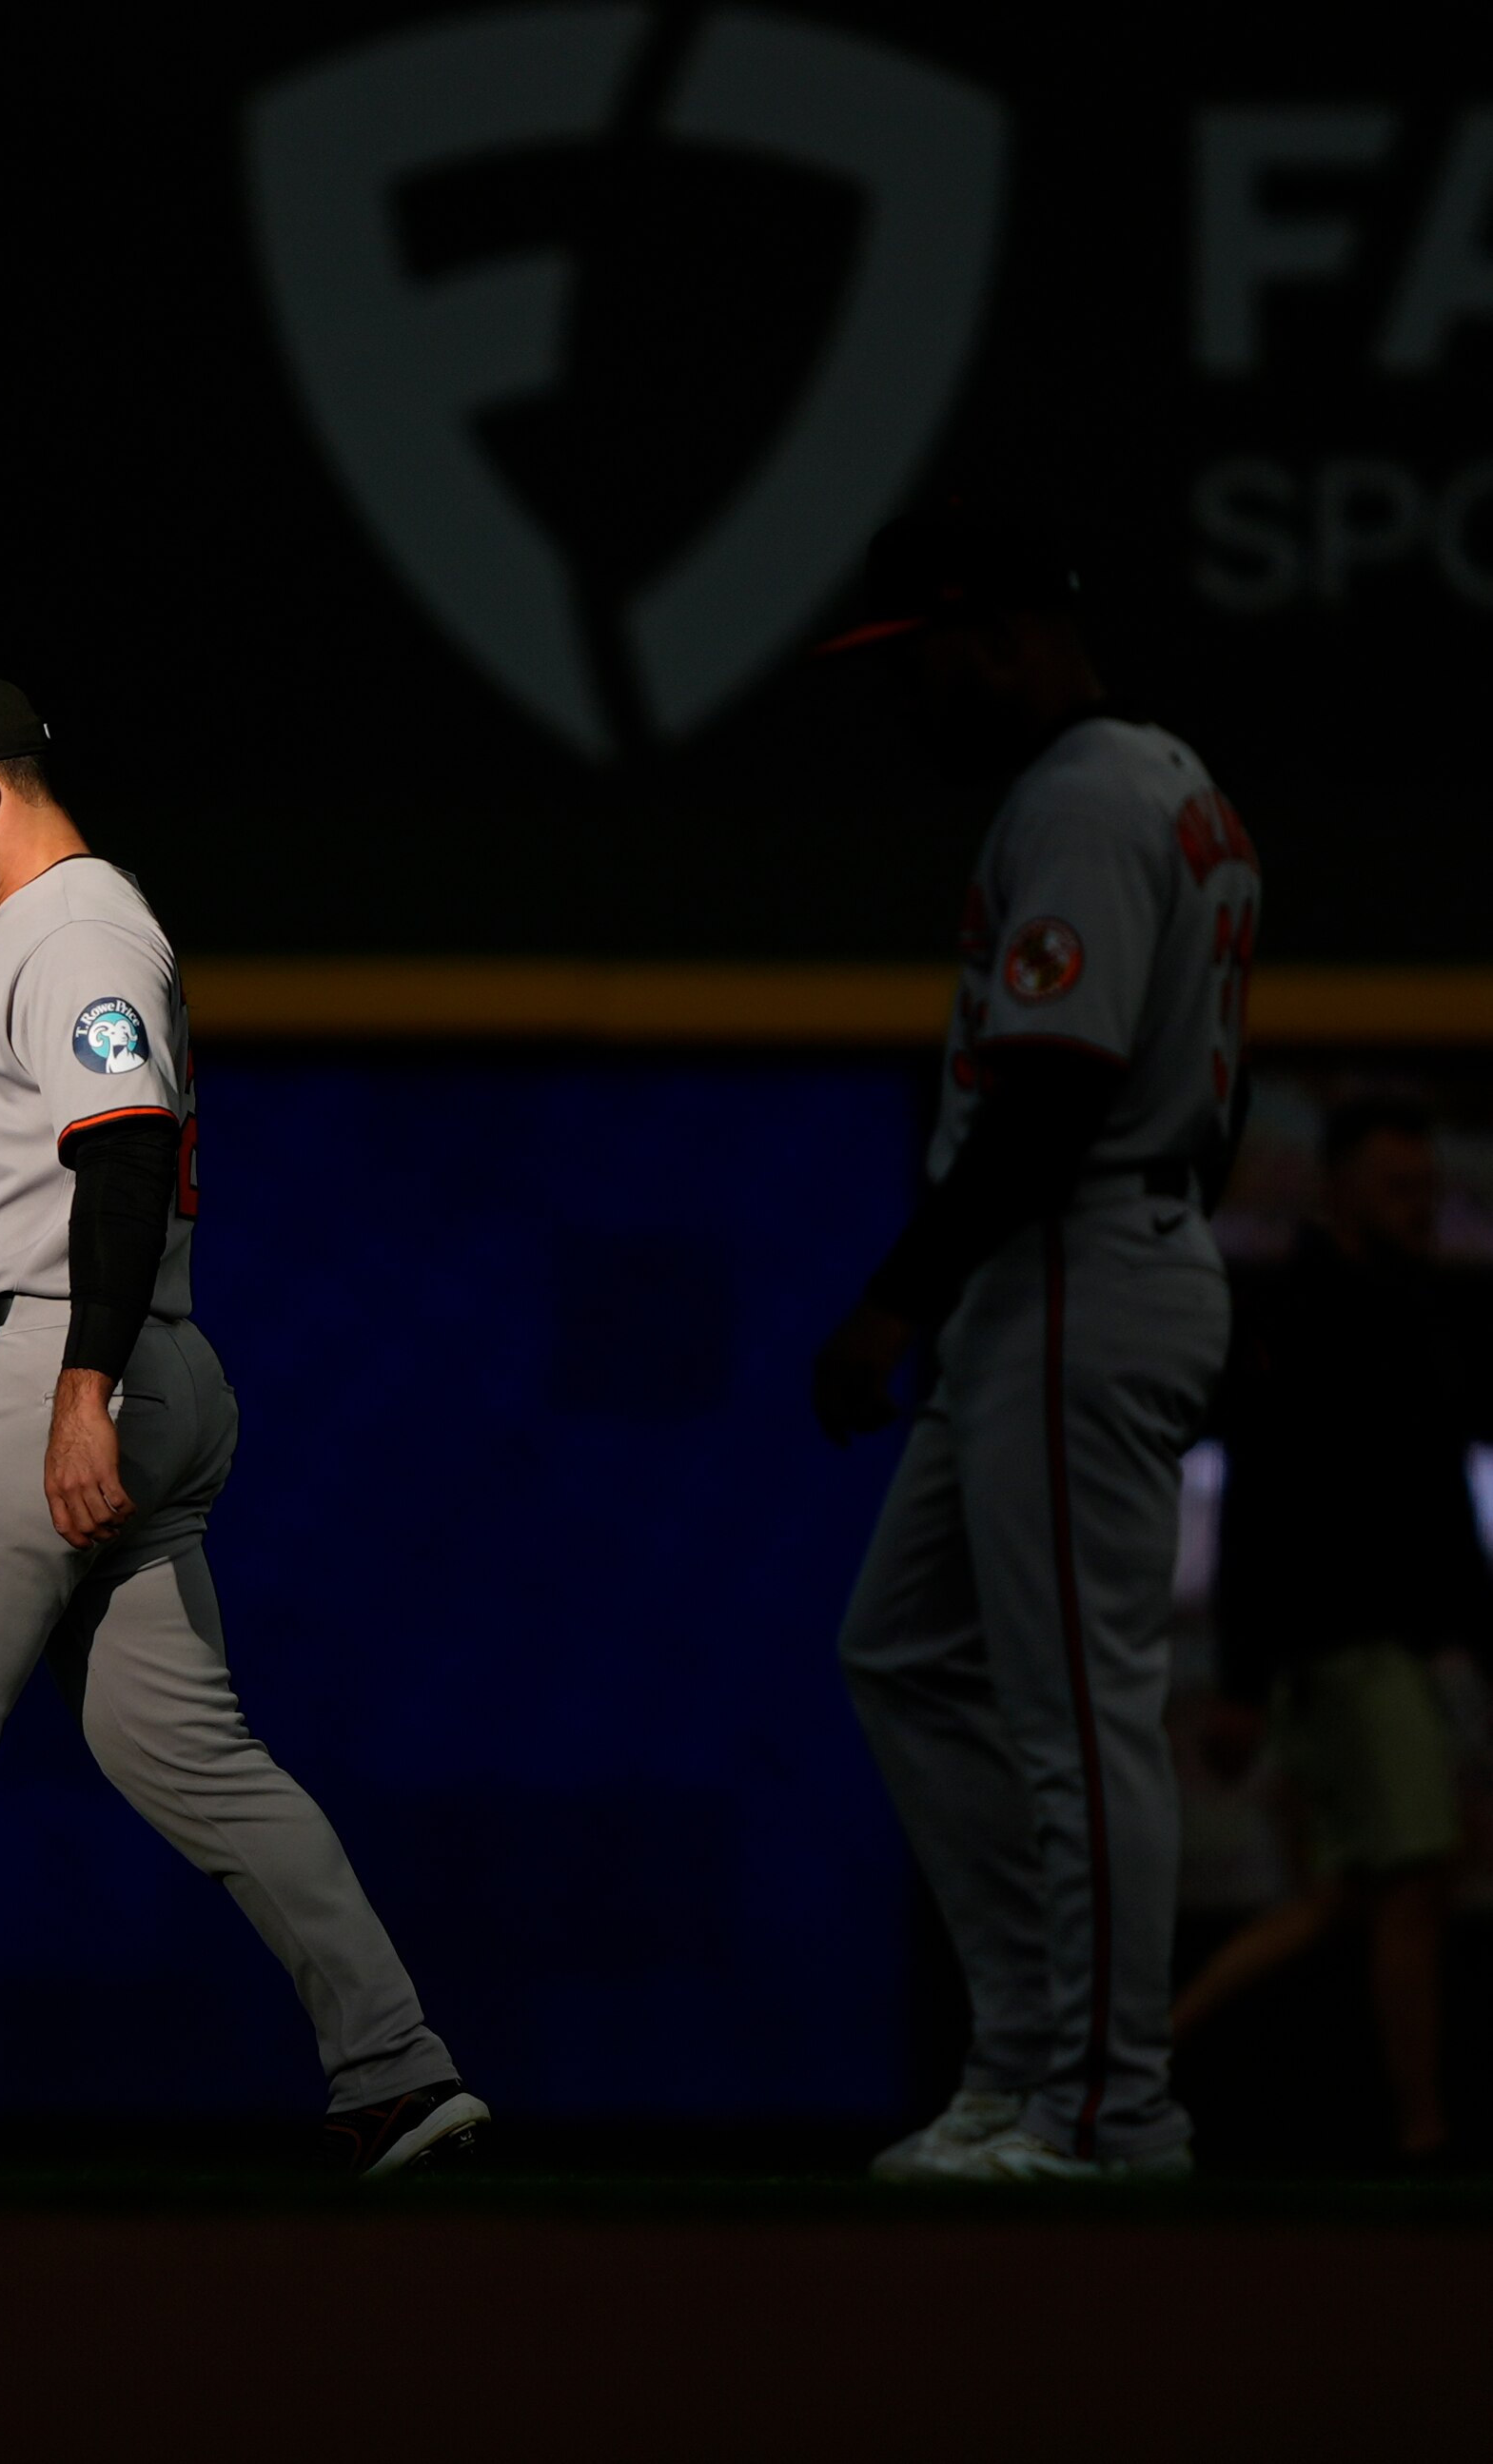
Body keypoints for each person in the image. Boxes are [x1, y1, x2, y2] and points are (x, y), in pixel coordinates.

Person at [0, 671, 485, 2175]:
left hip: (64, 1364)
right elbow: (37, 1185)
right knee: (185, 1751)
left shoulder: (72, 924)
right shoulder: (50, 929)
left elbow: (123, 1157)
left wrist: (66, 1390)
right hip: (66, 1354)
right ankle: (398, 2072)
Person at [811, 503, 1258, 2182]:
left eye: (921, 659)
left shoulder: (1077, 795)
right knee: (904, 1652)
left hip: (1077, 1256)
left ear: (994, 635)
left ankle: (1104, 2106)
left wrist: (894, 1298)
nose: (912, 696)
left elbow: (1057, 1085)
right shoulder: (1165, 779)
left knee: (1077, 1714)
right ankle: (1026, 2063)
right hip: (1091, 1254)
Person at [1174, 1095, 1487, 2160]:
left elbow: (1438, 1510)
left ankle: (1137, 2056)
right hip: (1342, 1651)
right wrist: (1243, 1680)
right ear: (1340, 1188)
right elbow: (1262, 1498)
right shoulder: (1303, 1312)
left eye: (1428, 1188)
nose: (1422, 1207)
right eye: (1399, 1187)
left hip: (1378, 1647)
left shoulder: (1410, 1308)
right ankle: (1423, 2132)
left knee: (1359, 1892)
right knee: (1412, 1879)